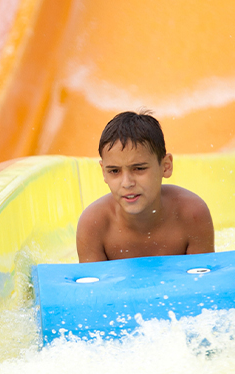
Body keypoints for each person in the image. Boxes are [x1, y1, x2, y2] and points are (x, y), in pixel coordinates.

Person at [76, 111, 215, 262]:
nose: (127, 183)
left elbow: (203, 281)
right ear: (104, 172)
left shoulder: (191, 215)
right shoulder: (94, 225)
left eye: (139, 169)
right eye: (114, 171)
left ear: (166, 166)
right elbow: (94, 285)